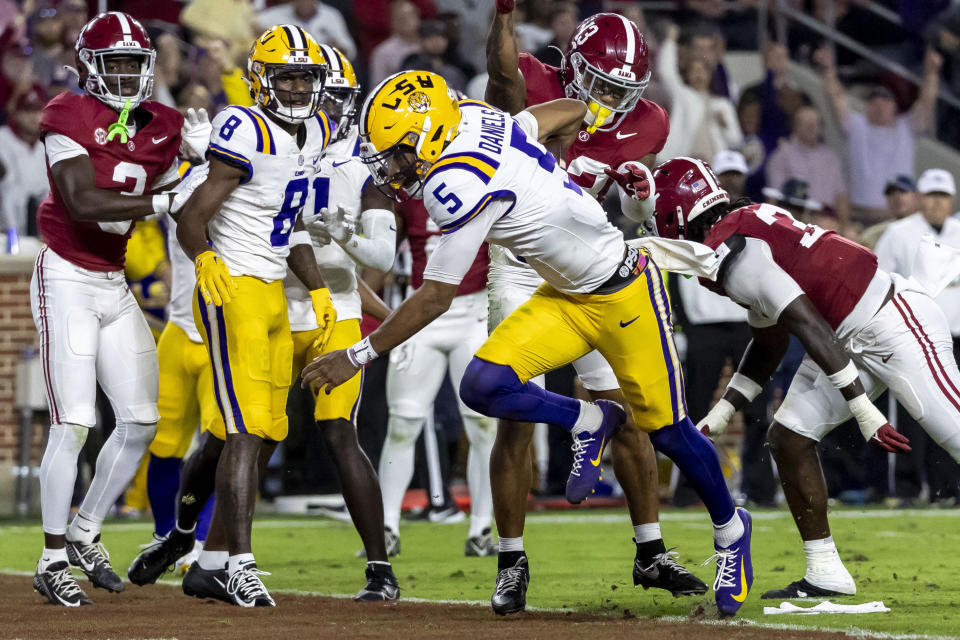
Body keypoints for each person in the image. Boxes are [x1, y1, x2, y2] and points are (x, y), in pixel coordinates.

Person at [301, 70, 753, 618]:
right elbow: (553, 113)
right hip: (562, 296)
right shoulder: (469, 118)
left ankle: (732, 529)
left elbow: (434, 297)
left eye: (395, 154)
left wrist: (355, 356)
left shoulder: (457, 183)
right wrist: (590, 115)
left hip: (625, 290)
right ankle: (586, 421)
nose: (389, 168)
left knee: (669, 432)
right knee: (484, 384)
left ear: (425, 138)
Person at [653, 157, 960, 600]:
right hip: (843, 334)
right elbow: (770, 341)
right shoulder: (742, 229)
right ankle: (825, 571)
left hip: (892, 321)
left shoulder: (735, 251)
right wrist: (718, 416)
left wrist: (862, 409)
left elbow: (806, 324)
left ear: (676, 216)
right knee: (789, 437)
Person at [485, 4, 705, 601]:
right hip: (522, 267)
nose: (612, 98)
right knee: (514, 409)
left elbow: (637, 210)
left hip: (589, 271)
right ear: (575, 67)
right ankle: (511, 559)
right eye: (603, 84)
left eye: (623, 90)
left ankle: (651, 552)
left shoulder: (648, 122)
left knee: (626, 407)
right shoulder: (535, 80)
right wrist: (502, 18)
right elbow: (502, 78)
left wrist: (638, 201)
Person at [30, 11, 189, 607]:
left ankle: (84, 531)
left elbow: (199, 195)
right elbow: (79, 199)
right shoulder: (66, 113)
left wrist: (210, 157)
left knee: (142, 420)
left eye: (133, 63)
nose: (125, 74)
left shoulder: (166, 125)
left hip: (114, 281)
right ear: (92, 65)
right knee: (74, 421)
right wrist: (171, 193)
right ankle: (50, 560)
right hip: (66, 275)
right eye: (114, 62)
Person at [175, 24, 337, 608]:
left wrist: (316, 288)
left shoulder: (315, 128)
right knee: (244, 429)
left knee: (267, 427)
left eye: (305, 76)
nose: (297, 87)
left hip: (272, 287)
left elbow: (287, 220)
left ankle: (206, 561)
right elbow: (191, 216)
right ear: (260, 81)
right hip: (232, 288)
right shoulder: (243, 126)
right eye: (286, 75)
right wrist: (205, 258)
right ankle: (238, 563)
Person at [377, 196, 496, 558]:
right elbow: (380, 257)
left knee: (483, 426)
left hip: (474, 309)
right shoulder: (404, 195)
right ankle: (385, 527)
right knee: (402, 423)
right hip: (420, 311)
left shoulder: (482, 181)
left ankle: (481, 529)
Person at [874, 169, 960, 505]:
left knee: (952, 412)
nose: (937, 203)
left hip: (957, 330)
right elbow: (879, 279)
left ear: (951, 200)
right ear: (920, 198)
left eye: (943, 196)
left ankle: (949, 488)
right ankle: (908, 488)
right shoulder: (898, 233)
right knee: (914, 409)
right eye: (931, 195)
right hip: (916, 334)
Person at [818, 45, 941, 224]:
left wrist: (932, 73)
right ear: (867, 107)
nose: (879, 105)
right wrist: (828, 70)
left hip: (896, 218)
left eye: (885, 100)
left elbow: (927, 102)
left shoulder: (906, 127)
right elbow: (835, 97)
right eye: (873, 100)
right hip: (857, 217)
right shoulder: (856, 125)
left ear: (894, 107)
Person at [657, 23, 742, 163]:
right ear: (687, 75)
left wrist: (724, 125)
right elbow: (666, 73)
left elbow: (736, 141)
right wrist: (670, 41)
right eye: (694, 71)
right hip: (685, 162)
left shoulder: (723, 104)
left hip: (716, 167)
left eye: (702, 71)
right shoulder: (683, 95)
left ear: (710, 75)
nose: (698, 75)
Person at [765, 105, 849, 227]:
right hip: (793, 219)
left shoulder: (830, 157)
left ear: (821, 128)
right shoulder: (781, 156)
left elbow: (841, 196)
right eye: (806, 124)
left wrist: (846, 226)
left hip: (828, 218)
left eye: (815, 124)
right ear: (795, 127)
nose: (812, 127)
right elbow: (774, 197)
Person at [0, 85, 48, 237]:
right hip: (5, 230)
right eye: (27, 110)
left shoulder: (52, 141)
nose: (34, 117)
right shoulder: (2, 138)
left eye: (38, 110)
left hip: (42, 230)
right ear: (15, 114)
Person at [256, 0, 356, 59]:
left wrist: (336, 48)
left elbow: (350, 51)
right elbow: (253, 24)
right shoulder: (275, 15)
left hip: (323, 70)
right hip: (288, 68)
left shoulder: (331, 15)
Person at [368, 0, 422, 86]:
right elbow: (376, 89)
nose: (407, 21)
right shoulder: (382, 52)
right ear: (392, 21)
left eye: (410, 15)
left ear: (418, 17)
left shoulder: (430, 44)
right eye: (401, 18)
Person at [859, 175, 919, 250]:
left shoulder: (929, 229)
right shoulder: (874, 235)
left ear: (916, 196)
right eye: (891, 193)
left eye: (903, 191)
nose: (897, 197)